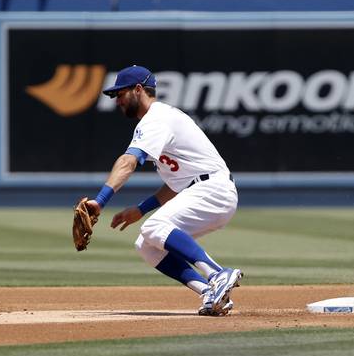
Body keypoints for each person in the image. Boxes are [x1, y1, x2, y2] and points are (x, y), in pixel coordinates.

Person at [82, 65, 242, 316]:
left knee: (153, 228)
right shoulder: (159, 120)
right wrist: (140, 209)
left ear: (138, 89)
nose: (118, 101)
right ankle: (210, 292)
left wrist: (101, 201)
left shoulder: (156, 119)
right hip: (206, 189)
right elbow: (177, 184)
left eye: (120, 94)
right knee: (146, 245)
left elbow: (128, 162)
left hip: (213, 189)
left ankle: (217, 273)